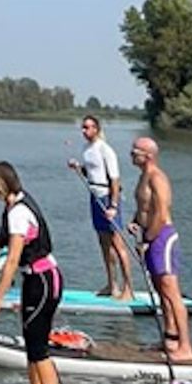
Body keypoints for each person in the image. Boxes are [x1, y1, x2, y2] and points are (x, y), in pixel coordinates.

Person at [0, 162, 65, 384]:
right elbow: (11, 238)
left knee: (39, 350)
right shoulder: (14, 204)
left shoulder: (19, 212)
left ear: (1, 185)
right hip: (33, 280)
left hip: (43, 280)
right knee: (31, 344)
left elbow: (13, 259)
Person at [127, 137, 192, 361]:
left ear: (148, 156)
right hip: (149, 235)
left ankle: (185, 347)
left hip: (162, 237)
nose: (131, 154)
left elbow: (161, 213)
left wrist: (148, 240)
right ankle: (170, 338)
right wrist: (135, 222)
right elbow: (145, 207)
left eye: (135, 151)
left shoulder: (157, 178)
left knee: (171, 291)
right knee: (160, 290)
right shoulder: (142, 177)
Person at [69, 115, 133, 301]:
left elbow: (115, 180)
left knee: (118, 244)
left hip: (107, 198)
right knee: (103, 243)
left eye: (88, 127)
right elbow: (90, 174)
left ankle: (128, 288)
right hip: (94, 197)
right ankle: (112, 285)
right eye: (83, 127)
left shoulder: (105, 150)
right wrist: (78, 168)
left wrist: (113, 206)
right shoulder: (86, 149)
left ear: (96, 129)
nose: (84, 130)